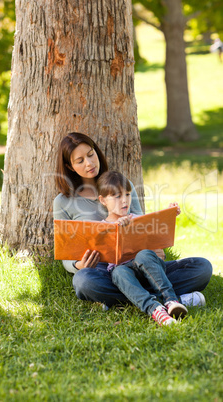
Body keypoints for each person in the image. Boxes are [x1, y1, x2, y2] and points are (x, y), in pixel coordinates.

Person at [53, 132, 212, 314]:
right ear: (70, 166)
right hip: (104, 272)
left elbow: (141, 225)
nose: (89, 163)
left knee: (202, 267)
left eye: (91, 154)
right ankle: (173, 299)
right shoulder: (63, 202)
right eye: (80, 160)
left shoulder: (122, 184)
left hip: (139, 264)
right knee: (83, 282)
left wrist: (154, 247)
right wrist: (79, 265)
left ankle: (120, 301)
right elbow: (66, 258)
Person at [97, 170, 188, 325]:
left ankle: (171, 301)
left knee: (144, 255)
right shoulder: (102, 227)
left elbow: (159, 241)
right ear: (103, 200)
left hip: (147, 266)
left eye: (127, 194)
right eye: (117, 196)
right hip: (124, 273)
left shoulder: (140, 219)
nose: (124, 200)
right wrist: (116, 228)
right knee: (118, 272)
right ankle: (155, 310)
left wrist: (170, 213)